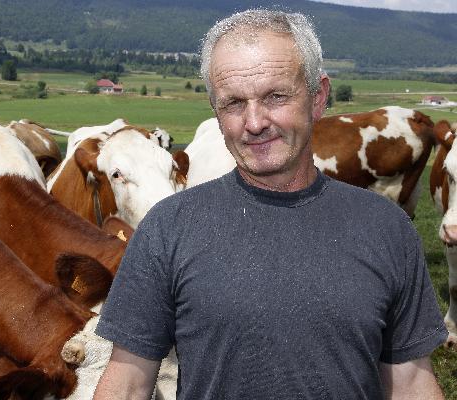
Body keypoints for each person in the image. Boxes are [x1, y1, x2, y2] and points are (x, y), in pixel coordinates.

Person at [93, 8, 448, 400]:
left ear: (318, 98)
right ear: (215, 109)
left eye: (275, 96)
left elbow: (412, 385)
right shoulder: (169, 228)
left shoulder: (386, 228)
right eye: (233, 103)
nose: (255, 121)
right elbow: (126, 385)